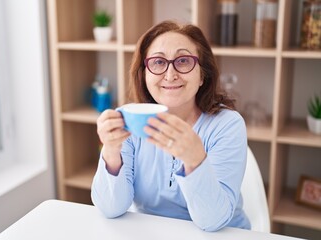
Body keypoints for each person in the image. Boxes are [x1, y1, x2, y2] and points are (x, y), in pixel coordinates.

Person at [91, 20, 250, 231]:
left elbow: (214, 222)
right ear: (144, 74)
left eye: (183, 61)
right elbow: (111, 209)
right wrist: (111, 151)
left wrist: (195, 160)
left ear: (203, 74)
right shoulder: (130, 120)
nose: (170, 74)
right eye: (158, 62)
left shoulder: (227, 125)